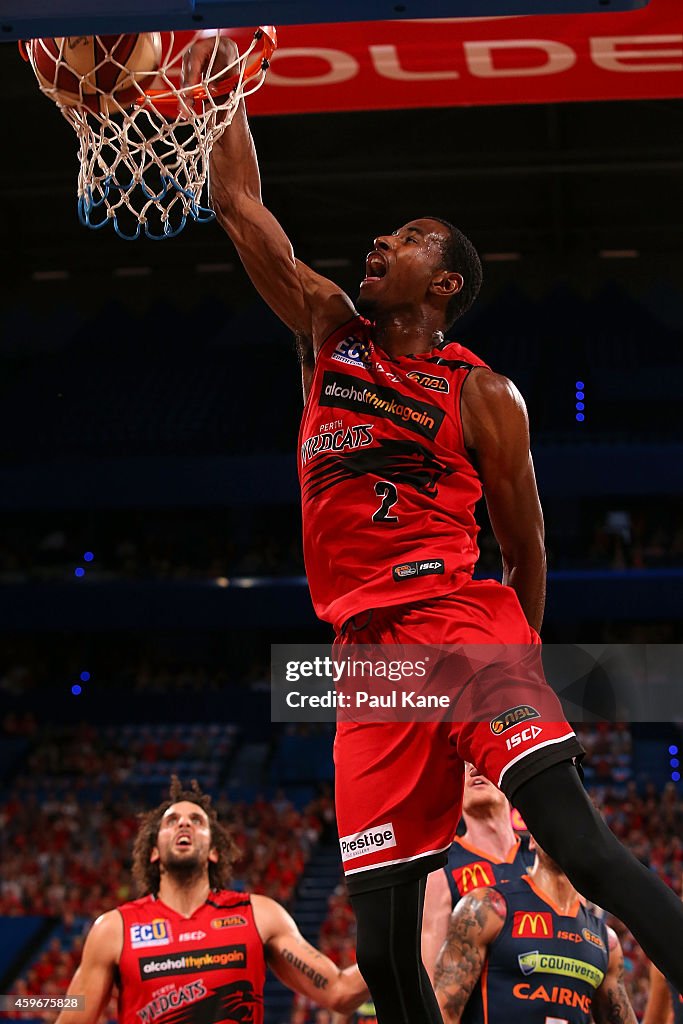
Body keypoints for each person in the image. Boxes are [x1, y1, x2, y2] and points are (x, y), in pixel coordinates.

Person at [192, 34, 683, 1024]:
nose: (378, 241)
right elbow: (243, 211)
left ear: (445, 282)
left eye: (407, 236)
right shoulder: (328, 332)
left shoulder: (483, 394)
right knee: (376, 935)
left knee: (576, 842)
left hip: (462, 626)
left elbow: (526, 544)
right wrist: (218, 80)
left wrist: (517, 656)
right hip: (367, 662)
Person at [54, 778, 369, 1024]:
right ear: (153, 851)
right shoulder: (113, 929)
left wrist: (407, 940)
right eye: (171, 820)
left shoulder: (259, 915)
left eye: (197, 820)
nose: (184, 823)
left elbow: (339, 992)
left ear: (214, 851)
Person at [433, 834, 637, 1024]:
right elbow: (442, 1012)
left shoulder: (606, 942)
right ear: (532, 839)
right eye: (552, 820)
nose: (565, 831)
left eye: (577, 824)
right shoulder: (487, 909)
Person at [421, 762, 532, 981]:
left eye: (483, 760)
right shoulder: (438, 868)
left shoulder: (541, 855)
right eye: (463, 765)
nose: (474, 769)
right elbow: (433, 978)